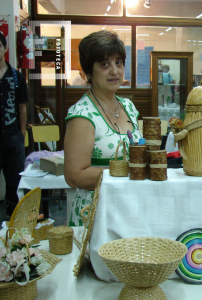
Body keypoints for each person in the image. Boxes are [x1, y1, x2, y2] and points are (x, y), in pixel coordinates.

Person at [64, 30, 142, 226]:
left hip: (131, 206)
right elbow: (75, 176)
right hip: (96, 212)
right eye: (104, 64)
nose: (114, 71)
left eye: (118, 62)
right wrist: (129, 170)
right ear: (88, 72)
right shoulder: (83, 114)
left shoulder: (129, 107)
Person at [0, 32, 29, 216]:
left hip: (12, 137)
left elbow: (22, 108)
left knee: (14, 183)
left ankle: (13, 222)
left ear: (4, 48)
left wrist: (22, 135)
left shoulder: (16, 77)